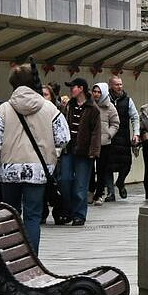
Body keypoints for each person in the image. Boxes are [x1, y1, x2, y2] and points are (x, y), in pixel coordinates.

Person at [0, 64, 68, 254]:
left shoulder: (2, 110)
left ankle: (14, 257)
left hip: (9, 171)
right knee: (33, 216)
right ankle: (32, 258)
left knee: (12, 215)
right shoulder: (50, 108)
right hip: (38, 171)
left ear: (13, 84)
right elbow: (63, 138)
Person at [57, 78, 103, 226]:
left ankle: (79, 214)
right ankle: (68, 210)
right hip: (68, 149)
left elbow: (96, 132)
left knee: (80, 186)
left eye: (73, 87)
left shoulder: (92, 108)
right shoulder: (69, 106)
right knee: (64, 180)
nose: (71, 90)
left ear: (81, 88)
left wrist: (93, 151)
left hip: (84, 152)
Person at [100, 76, 138, 200]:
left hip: (123, 137)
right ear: (110, 86)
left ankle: (120, 182)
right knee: (107, 166)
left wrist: (136, 133)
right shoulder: (104, 100)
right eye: (116, 84)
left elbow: (135, 117)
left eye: (121, 84)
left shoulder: (128, 100)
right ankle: (111, 192)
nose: (119, 87)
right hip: (108, 137)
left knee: (126, 164)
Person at [89, 83, 117, 205]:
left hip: (104, 143)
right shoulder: (89, 105)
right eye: (94, 91)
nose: (96, 94)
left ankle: (99, 194)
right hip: (90, 142)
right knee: (89, 168)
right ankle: (90, 191)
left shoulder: (110, 106)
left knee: (102, 169)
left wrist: (109, 134)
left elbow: (115, 123)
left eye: (99, 92)